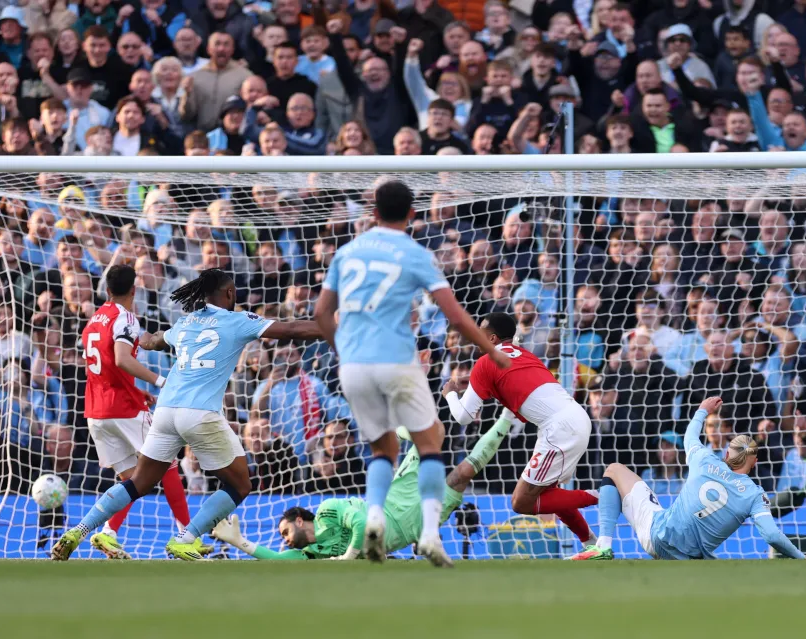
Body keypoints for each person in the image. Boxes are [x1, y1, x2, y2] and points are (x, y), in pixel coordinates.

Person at [51, 268, 323, 561]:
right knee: (240, 484)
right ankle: (185, 538)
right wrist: (332, 328)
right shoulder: (238, 320)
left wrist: (141, 337)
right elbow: (293, 330)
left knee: (137, 482)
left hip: (165, 411)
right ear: (230, 293)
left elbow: (153, 340)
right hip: (199, 413)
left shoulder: (185, 322)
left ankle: (78, 530)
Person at [313, 180, 510, 567]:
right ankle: (430, 535)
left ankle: (373, 517)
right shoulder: (415, 253)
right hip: (397, 360)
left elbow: (321, 313)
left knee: (382, 449)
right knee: (430, 442)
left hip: (353, 366)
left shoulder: (347, 252)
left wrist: (344, 352)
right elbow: (456, 317)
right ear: (412, 214)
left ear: (373, 213)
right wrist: (492, 351)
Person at [211, 415, 515, 559]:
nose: (285, 540)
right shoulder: (312, 553)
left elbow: (360, 523)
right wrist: (240, 542)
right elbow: (278, 561)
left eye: (285, 532)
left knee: (436, 432)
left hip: (395, 500)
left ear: (299, 520)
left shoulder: (327, 510)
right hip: (413, 526)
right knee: (461, 477)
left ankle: (401, 431)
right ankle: (507, 418)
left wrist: (348, 557)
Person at [571, 396, 806, 561]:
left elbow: (690, 436)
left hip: (656, 536)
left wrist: (702, 410)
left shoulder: (704, 459)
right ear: (754, 463)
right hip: (687, 557)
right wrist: (801, 556)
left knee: (614, 470)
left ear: (726, 454)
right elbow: (772, 535)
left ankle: (602, 546)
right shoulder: (755, 495)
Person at [442, 312, 598, 548]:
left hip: (559, 428)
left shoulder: (486, 362)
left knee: (521, 501)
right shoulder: (526, 355)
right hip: (574, 418)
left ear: (492, 339)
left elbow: (463, 416)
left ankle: (607, 496)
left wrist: (451, 394)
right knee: (547, 492)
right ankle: (590, 543)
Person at [80, 264, 195, 560]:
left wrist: (135, 389)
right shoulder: (126, 317)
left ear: (107, 290)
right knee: (167, 463)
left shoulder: (95, 319)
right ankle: (187, 536)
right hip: (123, 408)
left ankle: (108, 533)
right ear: (134, 289)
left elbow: (102, 365)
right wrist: (160, 381)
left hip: (96, 411)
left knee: (133, 480)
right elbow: (121, 359)